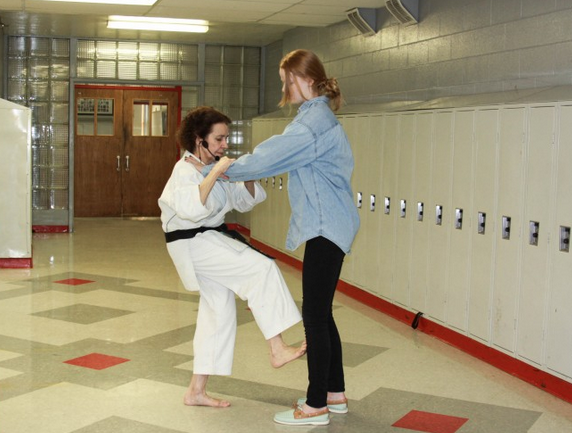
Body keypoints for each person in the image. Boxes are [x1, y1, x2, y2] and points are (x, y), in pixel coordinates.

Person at [206, 49, 360, 425]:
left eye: (286, 81)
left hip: (327, 226)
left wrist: (224, 167)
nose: (283, 88)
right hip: (330, 223)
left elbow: (268, 157)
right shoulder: (316, 117)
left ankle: (315, 406)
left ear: (303, 79)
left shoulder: (311, 124)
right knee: (320, 312)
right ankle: (334, 394)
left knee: (314, 316)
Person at [158, 106, 306, 408]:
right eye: (219, 139)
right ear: (200, 140)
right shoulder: (184, 171)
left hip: (209, 239)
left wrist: (248, 174)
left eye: (226, 138)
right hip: (193, 243)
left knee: (218, 312)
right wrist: (215, 171)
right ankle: (276, 347)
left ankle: (195, 391)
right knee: (261, 268)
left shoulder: (212, 167)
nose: (225, 144)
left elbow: (242, 199)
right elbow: (192, 208)